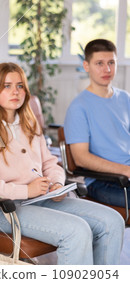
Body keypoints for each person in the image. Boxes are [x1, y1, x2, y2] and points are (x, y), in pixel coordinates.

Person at [0, 62, 124, 264]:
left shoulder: (29, 123)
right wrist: (25, 191)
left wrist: (56, 183)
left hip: (42, 198)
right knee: (76, 231)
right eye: (7, 86)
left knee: (113, 221)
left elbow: (50, 163)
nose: (16, 91)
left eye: (20, 86)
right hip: (3, 209)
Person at [64, 39, 130, 208]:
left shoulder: (125, 98)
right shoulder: (79, 107)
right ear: (86, 66)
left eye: (111, 63)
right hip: (104, 182)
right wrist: (125, 170)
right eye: (99, 63)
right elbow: (81, 158)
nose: (107, 69)